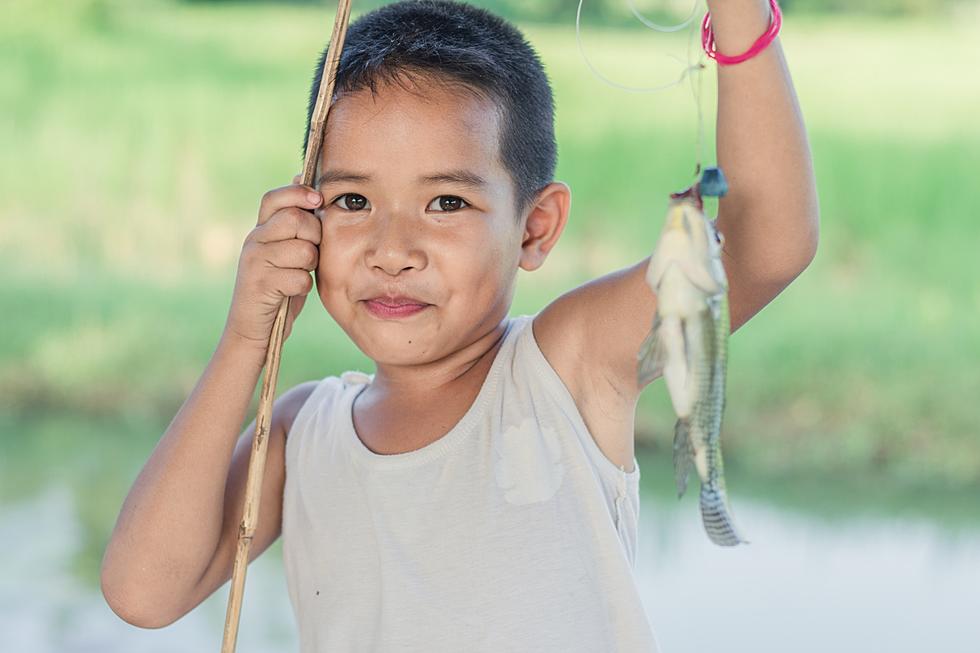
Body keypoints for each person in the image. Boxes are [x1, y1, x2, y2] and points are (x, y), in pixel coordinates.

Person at [100, 0, 818, 650]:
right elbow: (144, 591)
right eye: (351, 200)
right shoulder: (296, 432)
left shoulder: (565, 370)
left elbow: (766, 245)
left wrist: (738, 12)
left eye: (445, 202)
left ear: (535, 227)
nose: (391, 250)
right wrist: (246, 340)